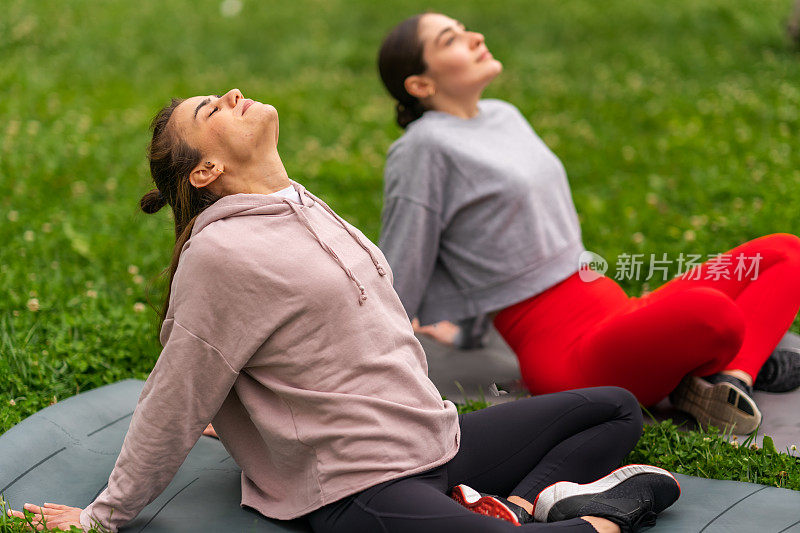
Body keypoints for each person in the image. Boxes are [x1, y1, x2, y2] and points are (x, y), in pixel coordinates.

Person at [7, 90, 679, 533]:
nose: (234, 94)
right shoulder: (221, 253)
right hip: (361, 486)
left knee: (616, 407)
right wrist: (103, 514)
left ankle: (524, 506)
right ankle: (602, 519)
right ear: (205, 170)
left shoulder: (298, 201)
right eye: (213, 108)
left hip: (431, 442)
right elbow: (178, 388)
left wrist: (247, 419)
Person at [376, 13, 800, 434]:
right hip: (568, 353)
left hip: (613, 309)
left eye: (465, 29)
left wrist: (467, 329)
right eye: (451, 39)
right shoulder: (421, 148)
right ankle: (707, 371)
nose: (475, 37)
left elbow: (496, 231)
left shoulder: (501, 114)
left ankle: (730, 381)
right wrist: (377, 358)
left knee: (786, 253)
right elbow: (405, 256)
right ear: (421, 85)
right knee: (713, 313)